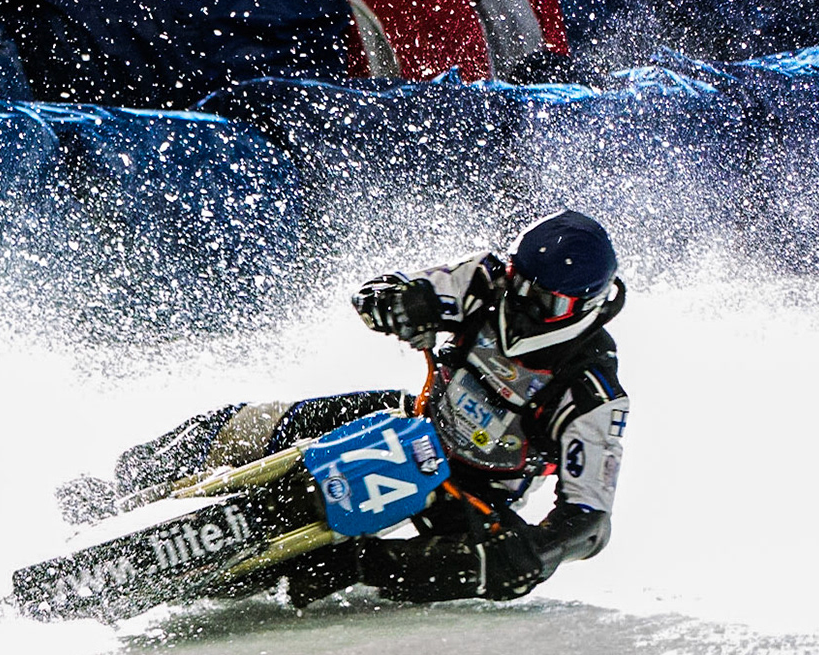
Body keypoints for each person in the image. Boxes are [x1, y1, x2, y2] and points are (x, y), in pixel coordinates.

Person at [71, 209, 629, 607]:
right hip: (414, 419)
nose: (524, 303)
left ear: (587, 303)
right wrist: (394, 300)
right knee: (257, 421)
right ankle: (128, 482)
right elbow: (401, 289)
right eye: (519, 282)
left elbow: (590, 522)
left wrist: (540, 548)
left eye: (547, 299)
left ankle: (329, 566)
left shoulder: (591, 392)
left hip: (473, 491)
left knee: (499, 569)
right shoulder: (486, 278)